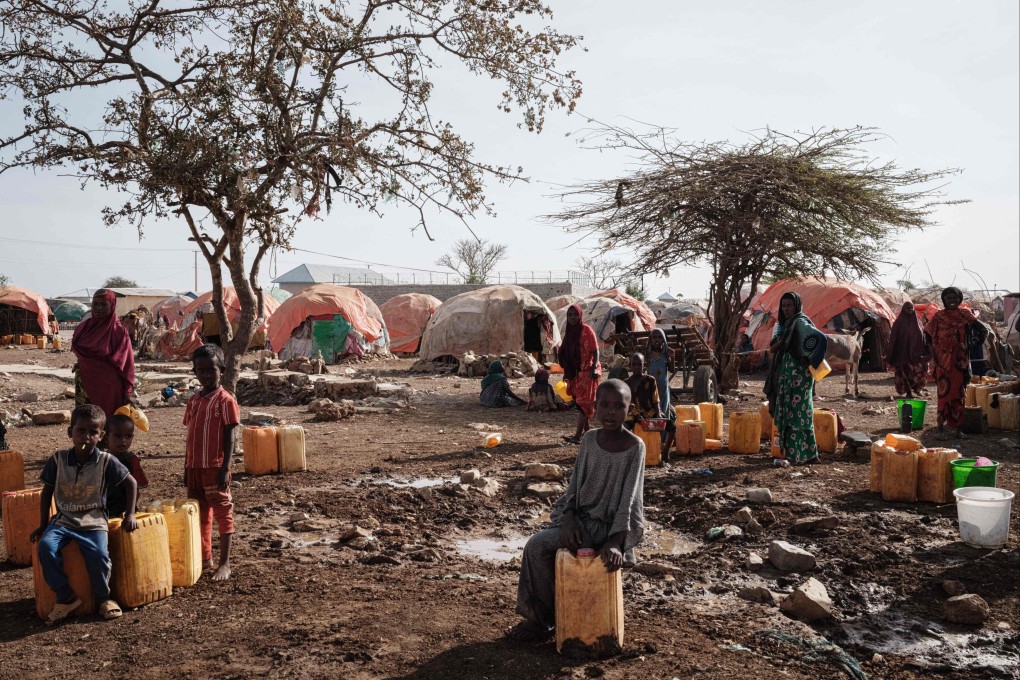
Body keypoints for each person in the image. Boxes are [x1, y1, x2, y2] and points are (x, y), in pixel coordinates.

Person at [509, 379, 645, 643]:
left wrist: (616, 542)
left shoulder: (635, 447)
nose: (610, 412)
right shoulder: (589, 440)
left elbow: (630, 500)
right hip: (579, 522)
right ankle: (542, 619)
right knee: (537, 547)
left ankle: (578, 619)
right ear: (594, 407)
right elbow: (574, 488)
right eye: (604, 405)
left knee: (601, 565)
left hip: (609, 529)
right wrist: (569, 519)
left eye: (619, 406)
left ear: (630, 409)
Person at [30, 404, 138, 624]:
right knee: (45, 547)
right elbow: (46, 491)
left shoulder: (106, 461)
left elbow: (131, 483)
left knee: (98, 555)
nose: (86, 436)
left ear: (102, 436)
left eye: (93, 432)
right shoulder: (58, 460)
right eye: (81, 430)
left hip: (94, 520)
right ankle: (65, 597)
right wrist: (43, 524)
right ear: (70, 432)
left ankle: (103, 599)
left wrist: (130, 514)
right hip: (63, 520)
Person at [184, 344, 238, 580]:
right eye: (201, 370)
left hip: (215, 466)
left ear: (221, 370)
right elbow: (190, 435)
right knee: (199, 513)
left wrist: (226, 467)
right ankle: (205, 558)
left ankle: (224, 563)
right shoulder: (194, 400)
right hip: (195, 466)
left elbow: (230, 436)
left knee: (222, 511)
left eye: (211, 370)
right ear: (194, 372)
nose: (206, 375)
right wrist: (186, 467)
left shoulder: (225, 400)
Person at [764, 292, 828, 465]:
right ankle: (809, 453)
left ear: (797, 306)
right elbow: (774, 347)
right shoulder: (785, 325)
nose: (786, 309)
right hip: (788, 373)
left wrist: (812, 359)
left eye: (789, 305)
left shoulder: (800, 322)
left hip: (799, 374)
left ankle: (796, 455)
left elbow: (820, 338)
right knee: (797, 411)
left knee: (798, 413)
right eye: (783, 305)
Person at [924, 287, 986, 439]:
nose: (952, 301)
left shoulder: (965, 314)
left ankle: (958, 430)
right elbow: (927, 333)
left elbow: (983, 330)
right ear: (944, 300)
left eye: (955, 298)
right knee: (943, 395)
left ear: (960, 299)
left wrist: (974, 342)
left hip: (960, 362)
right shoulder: (939, 316)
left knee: (959, 394)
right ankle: (940, 430)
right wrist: (933, 351)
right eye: (948, 298)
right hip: (942, 363)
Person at [71, 289, 135, 420]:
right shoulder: (83, 329)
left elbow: (127, 364)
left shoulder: (119, 332)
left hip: (109, 388)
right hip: (84, 383)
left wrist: (128, 392)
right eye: (95, 304)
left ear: (112, 305)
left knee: (107, 423)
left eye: (104, 304)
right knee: (85, 422)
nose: (99, 308)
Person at [558, 304, 601, 444]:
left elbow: (595, 351)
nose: (572, 317)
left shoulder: (586, 330)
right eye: (570, 315)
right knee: (579, 402)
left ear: (580, 315)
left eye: (575, 314)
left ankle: (577, 436)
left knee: (583, 402)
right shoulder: (570, 332)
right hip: (576, 371)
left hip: (588, 370)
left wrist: (594, 368)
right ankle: (587, 433)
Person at [624, 352, 677, 463]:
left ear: (644, 365)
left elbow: (655, 399)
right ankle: (627, 455)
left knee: (672, 427)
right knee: (622, 428)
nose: (637, 367)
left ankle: (666, 451)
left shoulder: (650, 380)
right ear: (630, 365)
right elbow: (628, 403)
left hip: (650, 413)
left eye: (640, 364)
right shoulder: (626, 383)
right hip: (634, 415)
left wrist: (658, 413)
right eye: (634, 364)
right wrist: (637, 415)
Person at [105, 414, 149, 518]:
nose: (123, 441)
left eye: (128, 436)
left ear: (132, 437)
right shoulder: (102, 459)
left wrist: (130, 511)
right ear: (107, 437)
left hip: (125, 510)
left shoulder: (132, 460)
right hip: (104, 509)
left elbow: (136, 488)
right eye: (117, 436)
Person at [885, 302, 930, 399]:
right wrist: (890, 353)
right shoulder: (898, 323)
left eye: (911, 308)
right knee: (905, 374)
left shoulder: (917, 322)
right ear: (903, 310)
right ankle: (908, 391)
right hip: (902, 354)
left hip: (917, 353)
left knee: (921, 371)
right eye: (908, 308)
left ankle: (918, 389)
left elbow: (923, 337)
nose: (910, 310)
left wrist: (926, 351)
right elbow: (893, 339)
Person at [646, 329, 675, 421]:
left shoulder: (666, 353)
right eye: (654, 337)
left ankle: (664, 434)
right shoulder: (648, 354)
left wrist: (672, 358)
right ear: (650, 340)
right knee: (652, 410)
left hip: (663, 388)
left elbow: (671, 369)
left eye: (659, 337)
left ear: (663, 340)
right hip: (651, 387)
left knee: (664, 410)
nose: (657, 340)